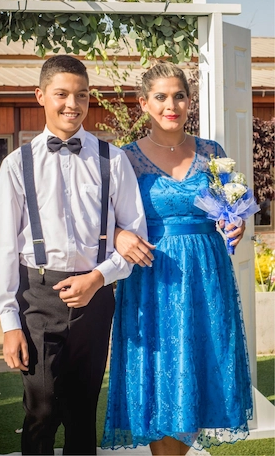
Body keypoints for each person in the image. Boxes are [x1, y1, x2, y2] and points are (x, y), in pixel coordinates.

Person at [0, 55, 147, 456]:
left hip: (96, 295)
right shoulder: (15, 165)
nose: (71, 104)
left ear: (89, 98)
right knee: (41, 408)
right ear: (41, 95)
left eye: (81, 95)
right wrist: (9, 322)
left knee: (82, 410)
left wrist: (98, 278)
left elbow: (135, 236)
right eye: (61, 94)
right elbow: (7, 249)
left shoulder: (113, 160)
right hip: (37, 294)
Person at [101, 61, 252, 456]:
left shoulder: (212, 153)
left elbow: (232, 207)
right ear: (144, 104)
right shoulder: (125, 159)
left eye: (180, 96)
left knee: (201, 367)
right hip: (153, 277)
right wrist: (118, 235)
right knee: (163, 375)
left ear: (189, 101)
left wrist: (238, 226)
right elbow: (103, 221)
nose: (172, 105)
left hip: (207, 275)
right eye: (161, 97)